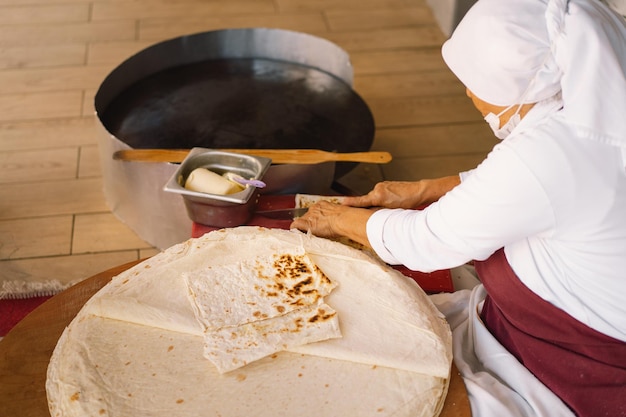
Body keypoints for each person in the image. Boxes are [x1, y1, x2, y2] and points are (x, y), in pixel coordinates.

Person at [291, 0, 626, 416]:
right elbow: (531, 190)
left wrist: (336, 216)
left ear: (517, 81)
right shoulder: (596, 116)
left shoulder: (556, 152)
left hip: (567, 376)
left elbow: (425, 242)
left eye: (474, 82)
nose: (468, 93)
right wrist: (424, 189)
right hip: (517, 329)